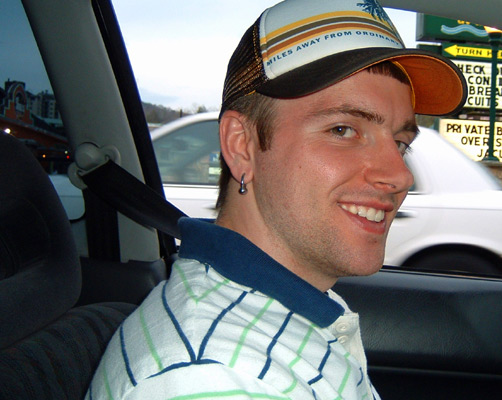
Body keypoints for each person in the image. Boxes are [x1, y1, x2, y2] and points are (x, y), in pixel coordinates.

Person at [86, 0, 466, 398]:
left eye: (401, 143)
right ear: (242, 146)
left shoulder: (283, 309)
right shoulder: (215, 378)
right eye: (342, 130)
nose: (400, 176)